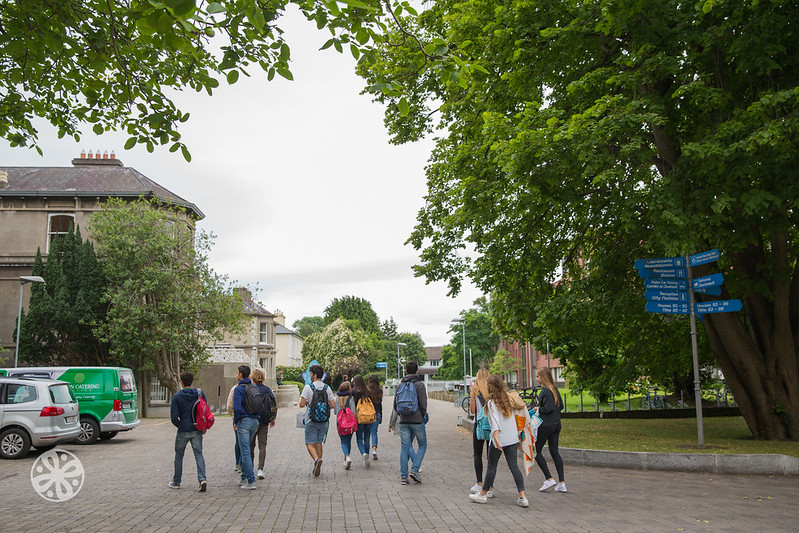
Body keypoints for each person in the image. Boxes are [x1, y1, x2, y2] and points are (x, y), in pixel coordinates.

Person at [468, 375, 528, 507]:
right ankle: (522, 496)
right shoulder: (508, 398)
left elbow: (495, 421)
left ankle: (483, 494)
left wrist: (495, 437)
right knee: (514, 466)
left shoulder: (491, 402)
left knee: (491, 466)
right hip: (512, 437)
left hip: (499, 439)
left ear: (490, 387)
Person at [169, 371, 207, 492]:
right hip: (197, 428)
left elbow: (174, 418)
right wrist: (203, 426)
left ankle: (176, 481)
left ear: (181, 382)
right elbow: (204, 411)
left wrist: (181, 425)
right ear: (191, 381)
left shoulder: (177, 397)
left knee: (179, 455)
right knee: (198, 454)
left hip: (183, 430)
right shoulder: (199, 394)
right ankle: (202, 479)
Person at [391, 361, 427, 485]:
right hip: (417, 420)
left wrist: (402, 414)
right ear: (417, 371)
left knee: (405, 447)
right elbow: (423, 404)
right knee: (422, 444)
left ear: (405, 371)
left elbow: (395, 405)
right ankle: (415, 469)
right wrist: (421, 416)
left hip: (403, 421)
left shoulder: (400, 385)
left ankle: (403, 477)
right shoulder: (420, 385)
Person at [299, 364, 336, 477]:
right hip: (324, 420)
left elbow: (301, 404)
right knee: (319, 442)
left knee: (310, 443)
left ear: (315, 375)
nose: (309, 376)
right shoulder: (327, 388)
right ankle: (318, 461)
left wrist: (309, 403)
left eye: (310, 374)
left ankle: (316, 460)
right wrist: (323, 407)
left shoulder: (308, 388)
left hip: (311, 420)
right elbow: (333, 405)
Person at [534, 367, 566, 493]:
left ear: (543, 377)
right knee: (554, 452)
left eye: (537, 376)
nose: (536, 379)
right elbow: (561, 406)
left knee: (536, 451)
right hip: (556, 425)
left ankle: (548, 478)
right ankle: (562, 482)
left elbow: (548, 408)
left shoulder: (545, 391)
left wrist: (538, 409)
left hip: (546, 426)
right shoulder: (554, 389)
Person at [233, 365, 261, 490]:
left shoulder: (239, 389)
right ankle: (243, 477)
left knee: (245, 452)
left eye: (237, 373)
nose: (236, 375)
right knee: (246, 449)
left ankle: (251, 480)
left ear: (240, 374)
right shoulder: (254, 387)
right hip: (255, 421)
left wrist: (236, 421)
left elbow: (237, 408)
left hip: (244, 421)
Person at [468, 368, 493, 497]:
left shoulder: (475, 390)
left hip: (479, 424)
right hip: (491, 425)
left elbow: (472, 411)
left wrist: (472, 395)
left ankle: (479, 483)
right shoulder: (492, 390)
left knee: (477, 454)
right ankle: (490, 487)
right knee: (491, 457)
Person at [250, 369, 276, 480]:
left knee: (250, 445)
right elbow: (273, 404)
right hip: (264, 421)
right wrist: (272, 418)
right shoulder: (267, 389)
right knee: (262, 446)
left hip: (251, 420)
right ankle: (260, 469)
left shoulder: (250, 389)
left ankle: (250, 468)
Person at [352, 374, 376, 469]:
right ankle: (367, 455)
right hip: (369, 417)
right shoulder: (368, 391)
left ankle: (363, 453)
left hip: (359, 417)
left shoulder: (354, 392)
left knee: (359, 438)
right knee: (367, 436)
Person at [335, 380, 355, 470]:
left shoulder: (337, 399)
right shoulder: (351, 398)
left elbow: (335, 412)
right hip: (350, 423)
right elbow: (353, 412)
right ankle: (347, 457)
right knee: (348, 441)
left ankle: (346, 457)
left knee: (343, 441)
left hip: (340, 423)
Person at [367, 374, 383, 460]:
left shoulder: (367, 390)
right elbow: (380, 404)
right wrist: (381, 415)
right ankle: (374, 450)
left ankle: (366, 451)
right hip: (377, 414)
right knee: (374, 432)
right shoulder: (379, 390)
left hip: (368, 414)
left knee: (366, 433)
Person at [226, 383, 241, 473]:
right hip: (248, 418)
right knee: (246, 442)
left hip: (236, 418)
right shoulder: (252, 387)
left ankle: (237, 463)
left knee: (238, 440)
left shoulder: (234, 388)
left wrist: (233, 416)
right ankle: (242, 463)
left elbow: (229, 406)